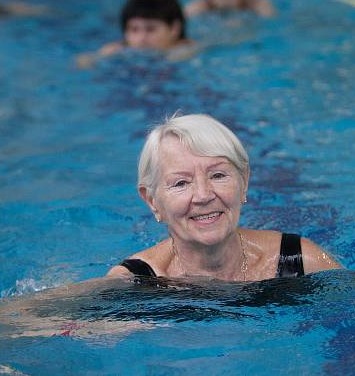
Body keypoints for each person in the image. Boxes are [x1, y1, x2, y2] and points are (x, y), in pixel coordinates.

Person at [107, 113, 341, 280]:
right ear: (152, 201)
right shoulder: (136, 282)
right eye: (181, 183)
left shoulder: (296, 260)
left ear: (244, 181)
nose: (203, 195)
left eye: (218, 175)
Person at [77, 0, 195, 67]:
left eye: (150, 29)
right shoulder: (118, 49)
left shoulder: (187, 51)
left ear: (174, 28)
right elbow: (84, 61)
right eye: (134, 30)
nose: (141, 38)